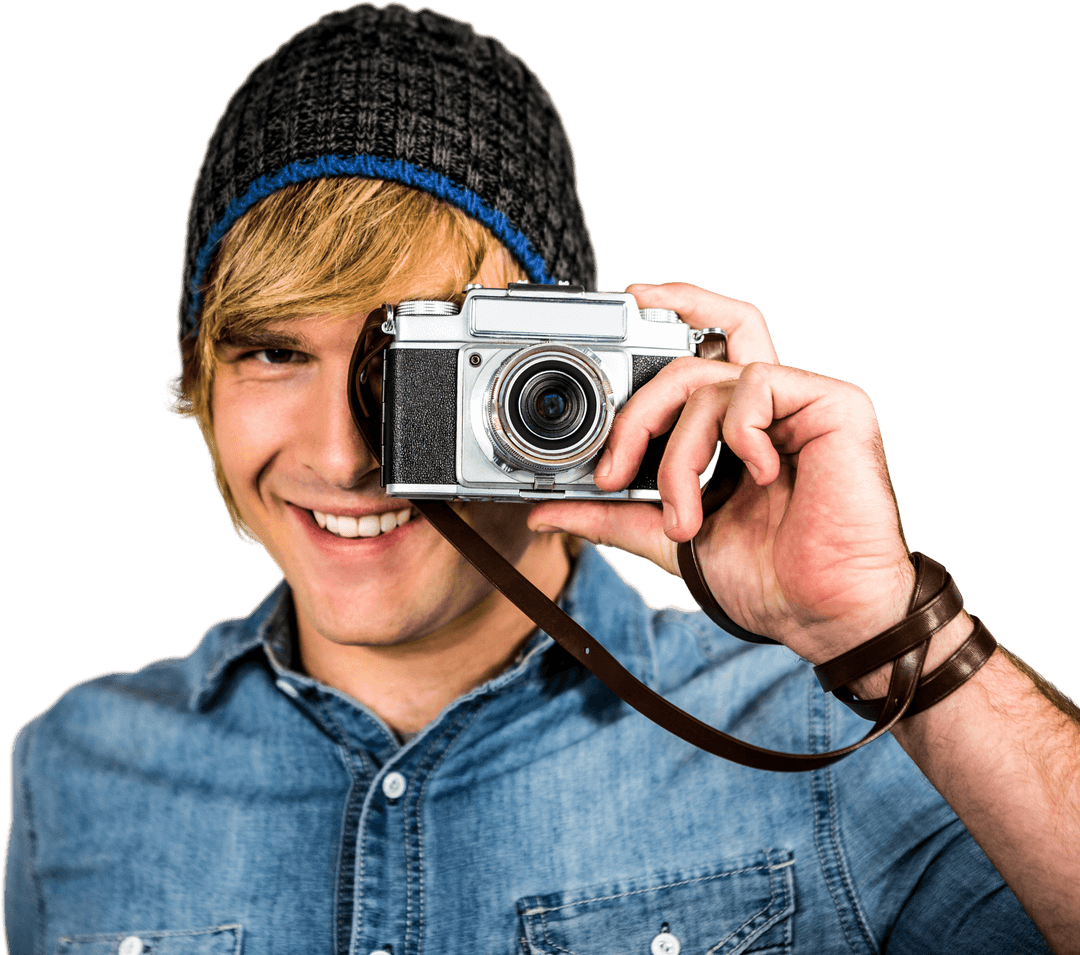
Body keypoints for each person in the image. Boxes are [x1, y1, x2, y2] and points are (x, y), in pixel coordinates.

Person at [4, 4, 1077, 953]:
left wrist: (883, 622)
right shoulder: (78, 772)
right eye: (272, 351)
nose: (343, 453)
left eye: (408, 365)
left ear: (565, 374)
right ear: (201, 377)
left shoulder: (825, 734)